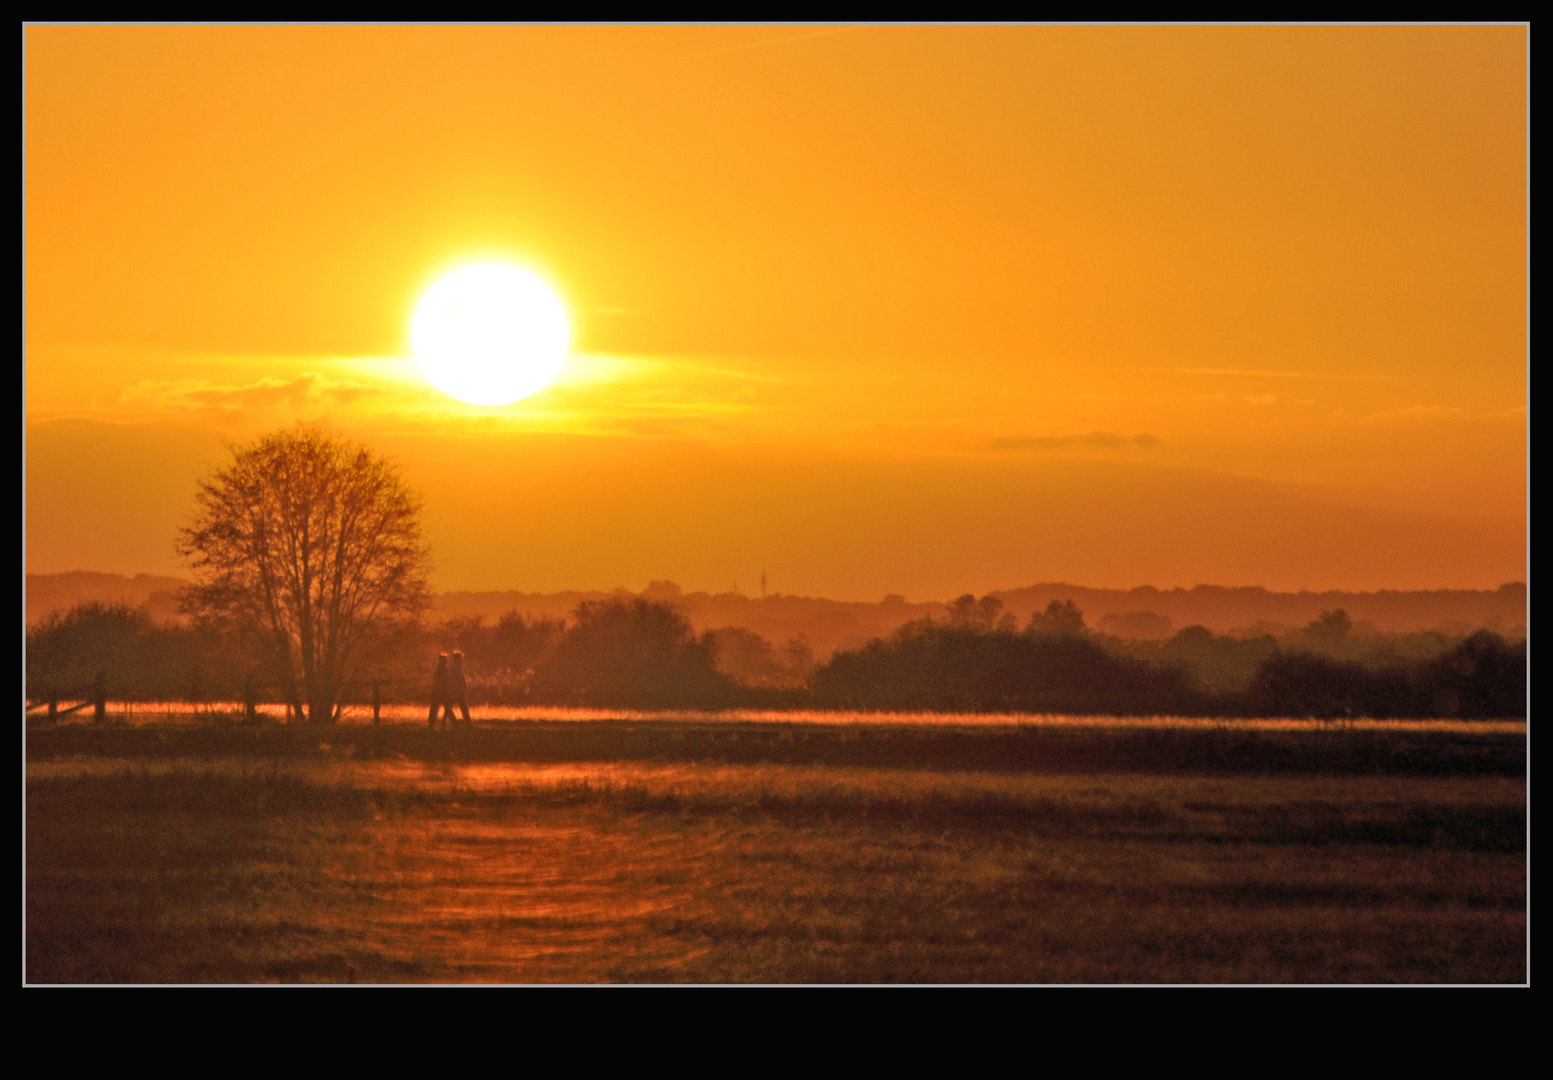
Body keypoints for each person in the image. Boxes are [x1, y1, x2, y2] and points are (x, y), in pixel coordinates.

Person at [448, 651, 472, 727]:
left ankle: (454, 723)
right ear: (457, 659)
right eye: (461, 658)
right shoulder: (456, 668)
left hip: (456, 691)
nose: (462, 660)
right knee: (463, 709)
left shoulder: (454, 668)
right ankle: (467, 724)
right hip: (458, 691)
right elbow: (458, 680)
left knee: (449, 708)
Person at [429, 654, 449, 728]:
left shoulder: (438, 669)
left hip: (437, 691)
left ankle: (432, 723)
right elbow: (445, 680)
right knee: (447, 708)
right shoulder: (444, 669)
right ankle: (443, 724)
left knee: (435, 708)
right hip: (442, 691)